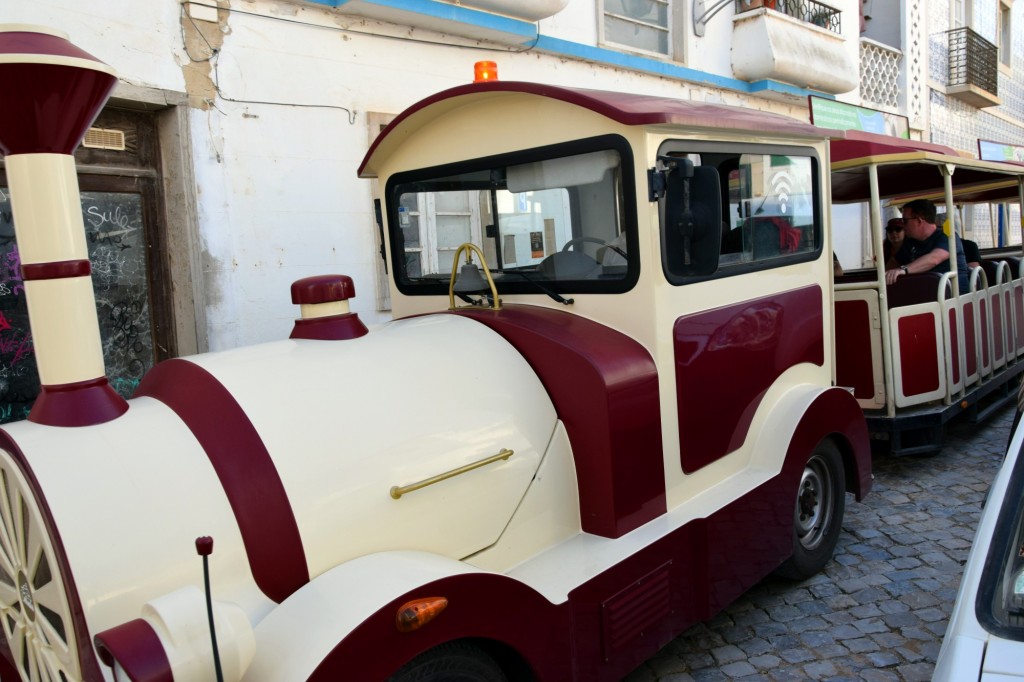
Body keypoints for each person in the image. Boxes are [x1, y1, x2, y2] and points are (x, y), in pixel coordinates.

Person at [885, 199, 969, 291]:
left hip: (952, 297)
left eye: (905, 221)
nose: (903, 225)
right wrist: (889, 274)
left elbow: (934, 259)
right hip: (924, 295)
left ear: (919, 221)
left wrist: (903, 270)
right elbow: (894, 262)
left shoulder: (948, 236)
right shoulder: (911, 242)